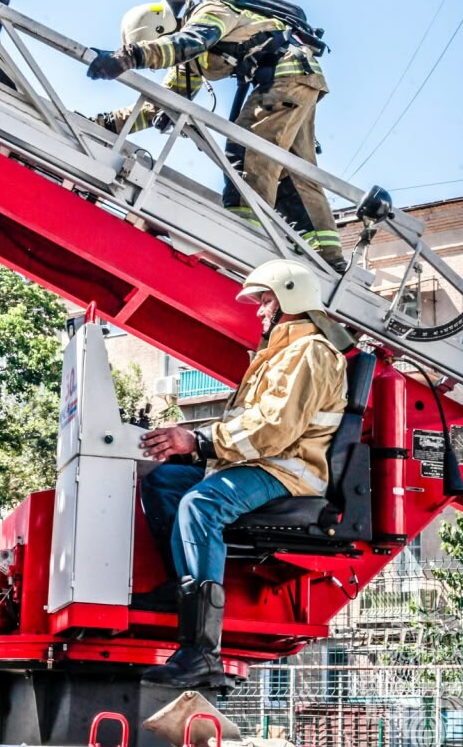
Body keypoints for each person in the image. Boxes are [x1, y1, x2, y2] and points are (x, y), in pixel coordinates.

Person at [136, 258, 349, 688]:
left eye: (265, 299)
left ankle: (200, 650)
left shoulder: (311, 353)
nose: (259, 310)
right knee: (162, 482)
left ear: (290, 299)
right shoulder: (282, 352)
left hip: (288, 471)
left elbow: (274, 428)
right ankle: (184, 588)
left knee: (201, 504)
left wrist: (197, 442)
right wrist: (194, 452)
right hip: (257, 463)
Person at [86, 0, 345, 271]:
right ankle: (326, 254)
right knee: (291, 170)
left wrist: (128, 57)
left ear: (158, 30)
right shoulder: (190, 61)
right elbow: (157, 104)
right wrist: (104, 124)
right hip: (299, 78)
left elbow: (189, 42)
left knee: (248, 154)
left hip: (287, 76)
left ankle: (244, 240)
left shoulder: (210, 11)